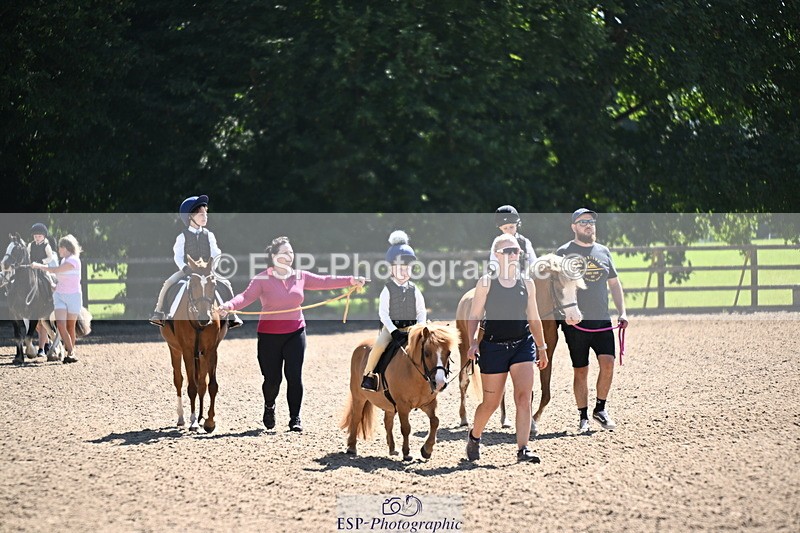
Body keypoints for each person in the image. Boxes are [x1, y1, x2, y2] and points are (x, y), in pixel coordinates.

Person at [219, 236, 365, 432]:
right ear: (273, 256)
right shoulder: (262, 279)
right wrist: (229, 306)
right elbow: (245, 297)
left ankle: (295, 418)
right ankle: (269, 405)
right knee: (272, 380)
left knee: (294, 376)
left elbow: (324, 281)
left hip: (295, 332)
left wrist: (350, 280)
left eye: (291, 252)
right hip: (269, 335)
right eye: (284, 253)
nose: (289, 256)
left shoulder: (300, 276)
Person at [465, 233, 549, 462]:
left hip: (522, 345)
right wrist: (473, 342)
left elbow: (534, 318)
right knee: (490, 403)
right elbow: (474, 315)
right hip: (493, 347)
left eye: (516, 251)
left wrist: (541, 348)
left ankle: (523, 449)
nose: (513, 254)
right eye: (508, 251)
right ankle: (474, 436)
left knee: (524, 398)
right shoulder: (486, 282)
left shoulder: (527, 283)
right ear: (496, 255)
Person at [556, 208, 628, 432]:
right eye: (583, 222)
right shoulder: (564, 251)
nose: (589, 225)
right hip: (576, 323)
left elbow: (614, 284)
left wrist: (622, 312)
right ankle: (583, 416)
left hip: (602, 320)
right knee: (581, 370)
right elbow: (555, 286)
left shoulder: (604, 252)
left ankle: (601, 409)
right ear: (574, 227)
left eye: (591, 222)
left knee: (608, 364)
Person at [149, 195, 242, 329]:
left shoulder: (209, 234)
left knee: (226, 283)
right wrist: (185, 268)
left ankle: (232, 316)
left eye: (205, 213)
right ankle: (159, 313)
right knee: (168, 283)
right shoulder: (182, 236)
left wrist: (212, 266)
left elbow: (216, 252)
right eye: (200, 214)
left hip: (207, 270)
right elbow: (178, 256)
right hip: (189, 270)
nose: (205, 217)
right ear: (190, 217)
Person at [360, 230, 427, 392]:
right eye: (400, 269)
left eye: (407, 269)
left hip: (413, 329)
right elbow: (383, 314)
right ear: (391, 270)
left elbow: (421, 311)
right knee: (379, 346)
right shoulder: (387, 290)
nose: (404, 272)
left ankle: (434, 375)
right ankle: (368, 376)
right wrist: (394, 331)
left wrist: (420, 328)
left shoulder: (415, 289)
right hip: (393, 329)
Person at [31, 234, 83, 364]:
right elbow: (61, 280)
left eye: (60, 248)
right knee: (60, 324)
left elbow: (56, 270)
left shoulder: (74, 261)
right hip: (60, 295)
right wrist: (53, 285)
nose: (58, 250)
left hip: (73, 296)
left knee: (71, 326)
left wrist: (39, 266)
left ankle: (70, 352)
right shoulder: (64, 260)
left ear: (66, 248)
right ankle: (70, 351)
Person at [28, 223, 57, 357]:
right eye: (35, 236)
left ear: (43, 236)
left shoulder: (47, 245)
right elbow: (28, 255)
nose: (37, 238)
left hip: (42, 267)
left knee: (48, 278)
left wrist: (41, 263)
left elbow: (50, 258)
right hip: (32, 267)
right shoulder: (30, 245)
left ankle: (51, 293)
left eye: (39, 236)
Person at [488, 205, 537, 276]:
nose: (509, 231)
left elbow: (533, 263)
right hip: (503, 279)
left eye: (511, 227)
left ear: (517, 225)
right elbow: (493, 265)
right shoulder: (497, 242)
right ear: (500, 228)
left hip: (523, 280)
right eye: (505, 228)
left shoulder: (524, 242)